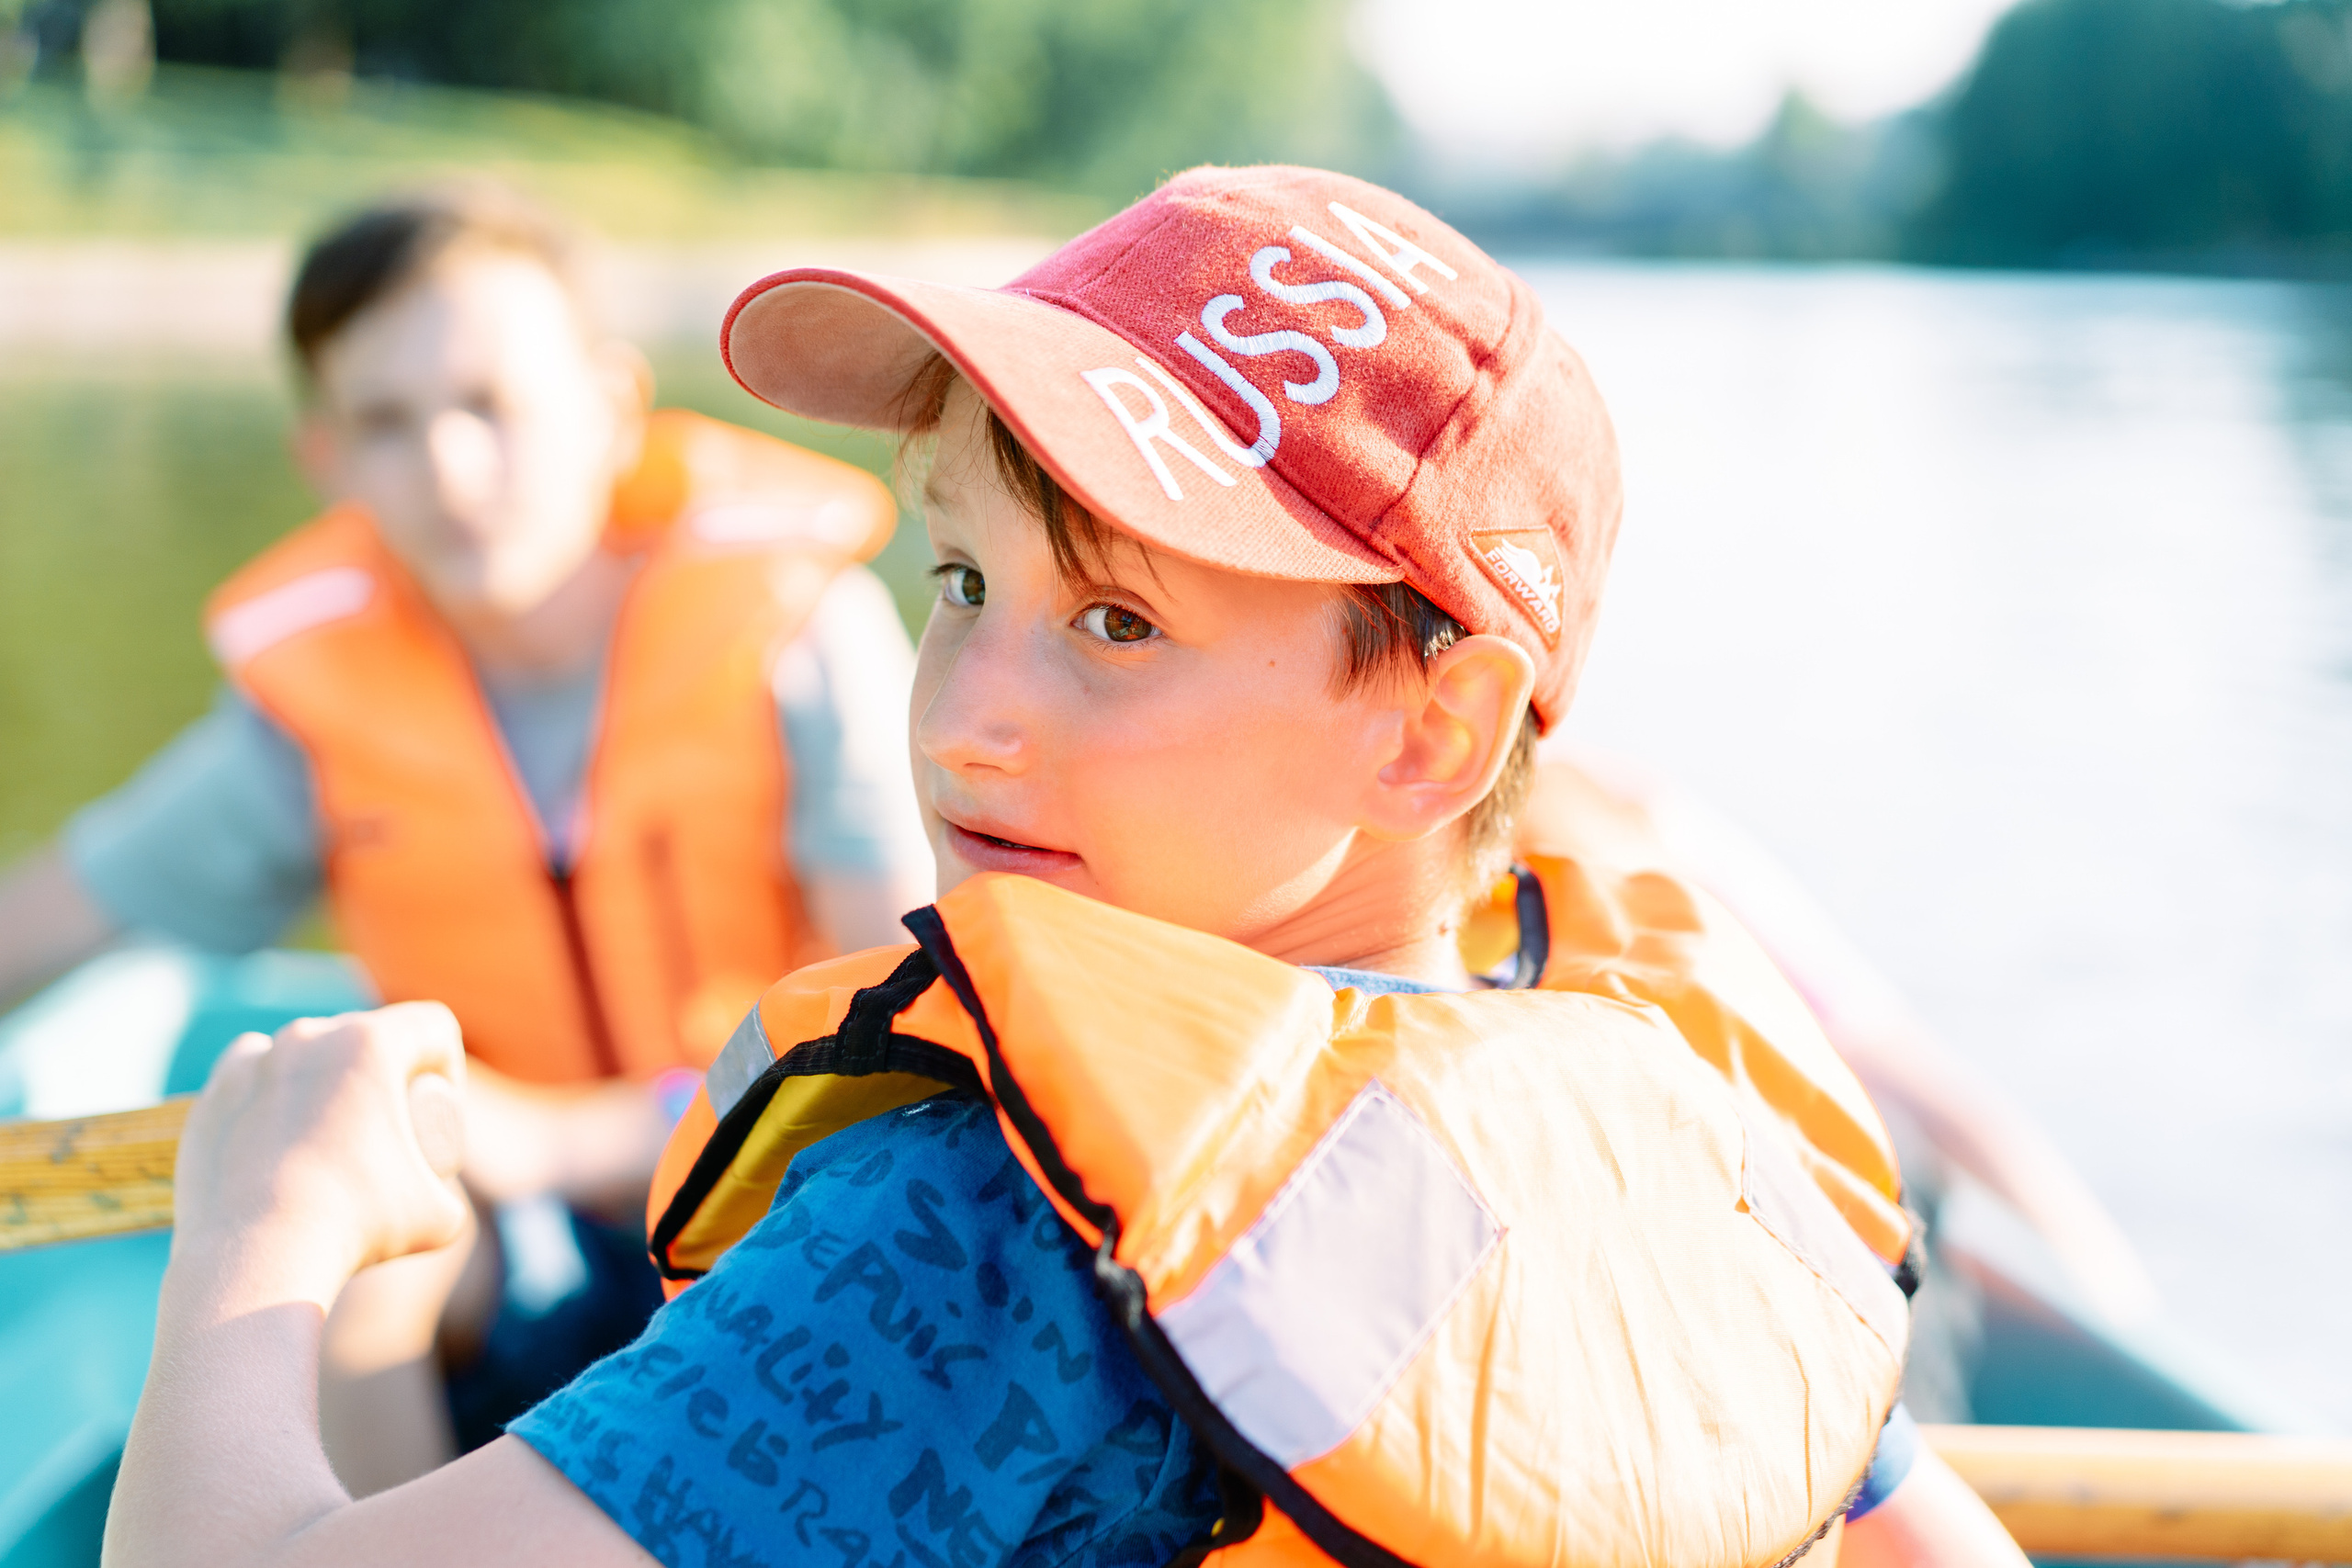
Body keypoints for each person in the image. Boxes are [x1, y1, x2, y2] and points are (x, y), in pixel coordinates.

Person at [106, 166, 2028, 1566]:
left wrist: (251, 1250)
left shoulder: (984, 1219)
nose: (958, 722)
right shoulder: (1703, 1133)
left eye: (1114, 624)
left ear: (1436, 725)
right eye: (958, 581)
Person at [0, 187, 933, 1491]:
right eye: (386, 423)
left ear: (610, 408)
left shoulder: (795, 634)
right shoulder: (314, 711)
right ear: (325, 458)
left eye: (490, 403)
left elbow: (901, 1029)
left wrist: (562, 1134)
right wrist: (515, 1153)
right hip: (501, 1224)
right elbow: (62, 909)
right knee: (365, 1250)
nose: (445, 466)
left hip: (777, 1191)